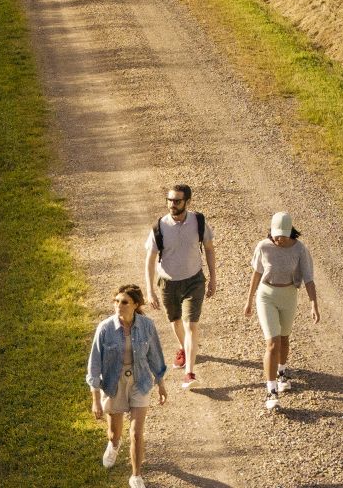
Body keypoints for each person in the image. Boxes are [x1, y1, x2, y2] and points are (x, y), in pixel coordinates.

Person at [86, 284, 168, 488]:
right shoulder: (105, 328)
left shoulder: (147, 326)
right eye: (116, 301)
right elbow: (94, 365)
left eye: (124, 302)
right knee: (115, 433)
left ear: (136, 305)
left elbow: (155, 356)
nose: (118, 306)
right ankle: (114, 445)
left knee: (136, 433)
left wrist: (160, 383)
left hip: (140, 382)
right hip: (113, 383)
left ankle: (136, 476)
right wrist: (96, 400)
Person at [244, 210, 319, 410]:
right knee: (272, 343)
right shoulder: (263, 246)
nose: (279, 239)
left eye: (283, 235)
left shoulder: (300, 249)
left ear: (290, 232)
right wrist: (249, 300)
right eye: (276, 235)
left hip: (288, 295)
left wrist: (313, 304)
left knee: (284, 339)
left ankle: (282, 372)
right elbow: (256, 273)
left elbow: (308, 278)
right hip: (266, 295)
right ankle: (271, 391)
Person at [144, 183, 215, 388]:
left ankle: (189, 373)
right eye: (169, 200)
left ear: (187, 202)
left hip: (194, 281)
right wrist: (150, 290)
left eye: (177, 201)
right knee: (175, 321)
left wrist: (213, 278)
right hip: (168, 283)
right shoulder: (159, 227)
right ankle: (185, 348)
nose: (172, 204)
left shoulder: (198, 222)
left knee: (190, 324)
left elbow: (209, 248)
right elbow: (150, 260)